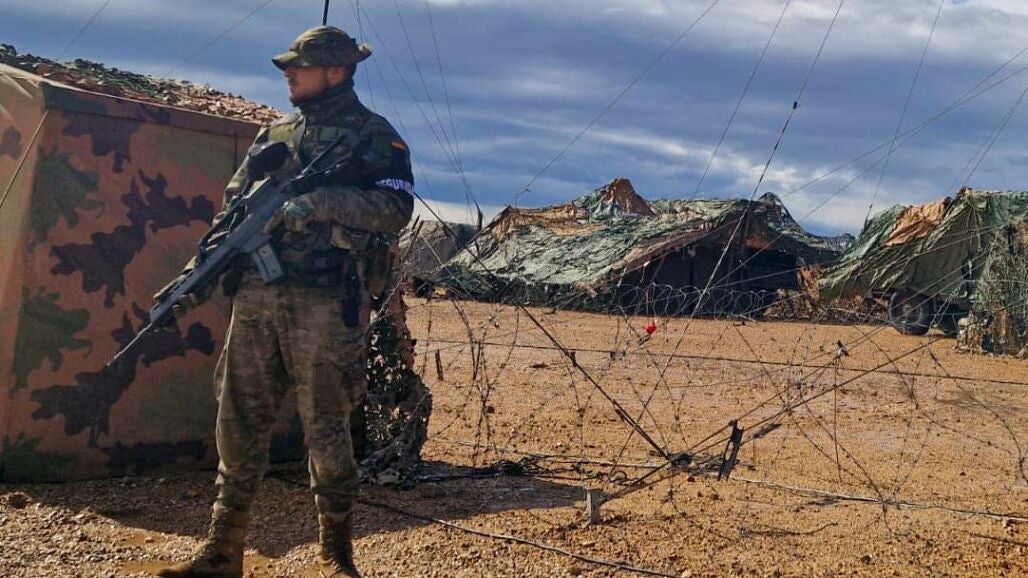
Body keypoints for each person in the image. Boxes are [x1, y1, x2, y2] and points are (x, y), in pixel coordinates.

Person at [156, 25, 414, 578]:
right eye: (288, 67)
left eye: (300, 66)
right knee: (238, 421)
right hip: (257, 296)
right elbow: (231, 215)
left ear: (337, 71)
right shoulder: (275, 134)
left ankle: (336, 556)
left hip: (325, 301)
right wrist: (193, 276)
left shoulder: (374, 136)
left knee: (326, 425)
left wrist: (321, 203)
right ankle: (221, 552)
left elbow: (396, 208)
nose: (289, 74)